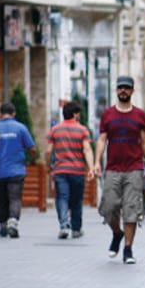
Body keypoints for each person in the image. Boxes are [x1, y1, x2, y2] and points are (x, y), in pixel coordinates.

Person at [91, 76, 145, 264]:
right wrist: (96, 162)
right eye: (120, 88)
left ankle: (127, 248)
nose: (123, 91)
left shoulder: (139, 115)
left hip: (134, 168)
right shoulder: (108, 114)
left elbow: (144, 142)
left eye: (127, 88)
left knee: (131, 209)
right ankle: (117, 233)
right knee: (109, 207)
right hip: (113, 168)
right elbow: (102, 139)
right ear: (116, 91)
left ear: (132, 91)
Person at [0, 102, 36, 239]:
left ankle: (3, 224)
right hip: (17, 171)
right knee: (15, 198)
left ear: (0, 114)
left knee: (1, 199)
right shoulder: (21, 128)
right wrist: (31, 160)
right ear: (14, 113)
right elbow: (32, 148)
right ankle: (13, 222)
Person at [46, 101, 94, 239]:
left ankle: (64, 225)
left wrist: (49, 165)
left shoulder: (55, 130)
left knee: (62, 197)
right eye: (78, 113)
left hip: (60, 170)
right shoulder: (83, 130)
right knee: (76, 200)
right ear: (75, 114)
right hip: (78, 171)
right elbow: (87, 149)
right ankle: (76, 229)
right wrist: (90, 168)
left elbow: (49, 151)